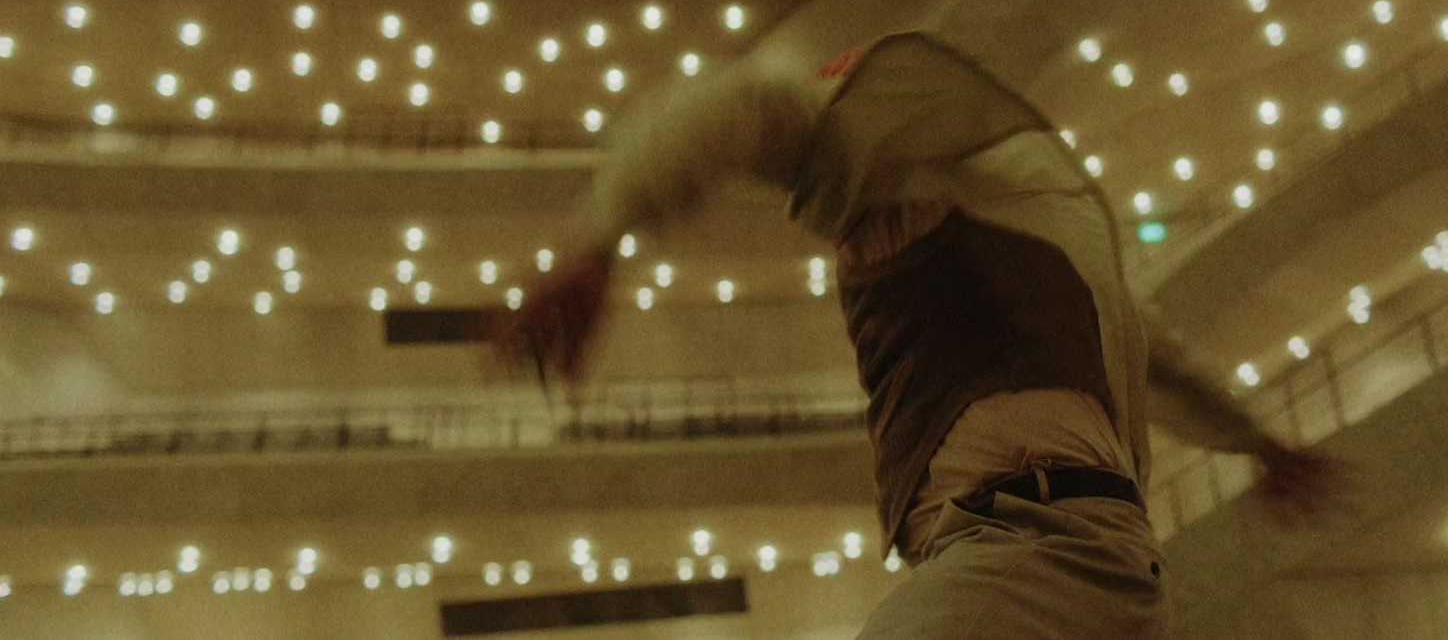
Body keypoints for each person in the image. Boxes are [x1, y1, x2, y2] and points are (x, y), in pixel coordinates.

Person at [495, 32, 1345, 638]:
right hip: (1087, 566)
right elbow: (1164, 363)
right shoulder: (1055, 261)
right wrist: (1262, 443)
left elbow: (740, 106)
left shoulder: (903, 166)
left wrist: (600, 238)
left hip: (1032, 543)